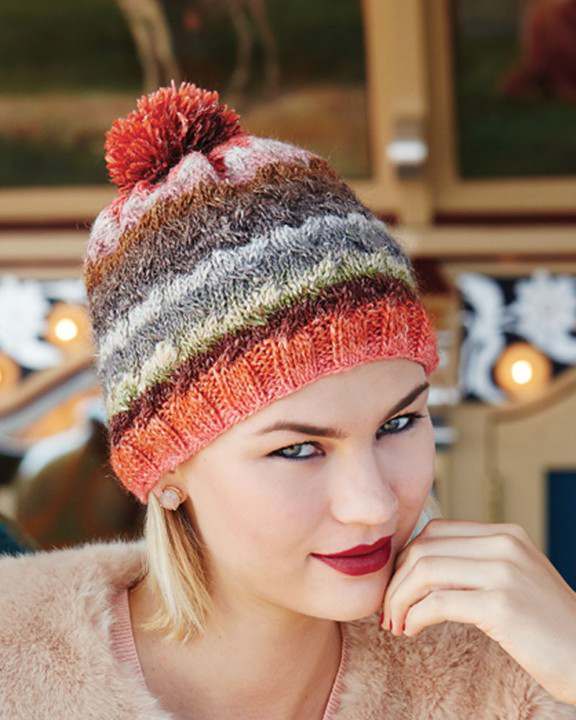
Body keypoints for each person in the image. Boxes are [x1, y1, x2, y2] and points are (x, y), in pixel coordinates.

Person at [0, 81, 575, 720]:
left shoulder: (509, 674)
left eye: (399, 423)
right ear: (164, 473)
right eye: (299, 448)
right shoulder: (14, 660)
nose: (373, 505)